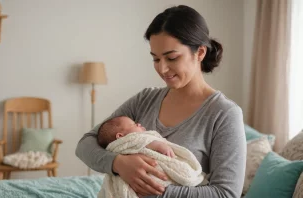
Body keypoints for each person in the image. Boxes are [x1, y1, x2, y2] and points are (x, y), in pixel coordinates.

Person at [76, 4, 246, 198]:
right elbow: (86, 144)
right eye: (156, 59)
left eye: (171, 58)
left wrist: (155, 189)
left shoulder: (224, 114)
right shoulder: (145, 100)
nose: (162, 69)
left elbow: (226, 193)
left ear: (200, 53)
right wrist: (119, 164)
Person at [97, 116, 176, 158]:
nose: (138, 124)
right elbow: (144, 141)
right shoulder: (130, 141)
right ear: (120, 136)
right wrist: (160, 145)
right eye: (134, 124)